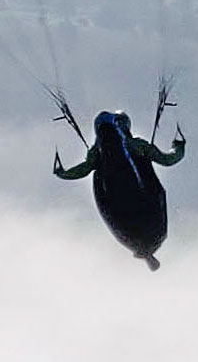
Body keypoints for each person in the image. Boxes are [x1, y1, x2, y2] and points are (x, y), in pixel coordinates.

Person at [53, 109, 185, 270]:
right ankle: (147, 252)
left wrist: (63, 173)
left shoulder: (97, 152)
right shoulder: (134, 144)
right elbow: (167, 159)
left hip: (117, 201)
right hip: (141, 197)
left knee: (136, 228)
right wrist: (178, 146)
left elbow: (83, 169)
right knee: (147, 224)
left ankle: (146, 252)